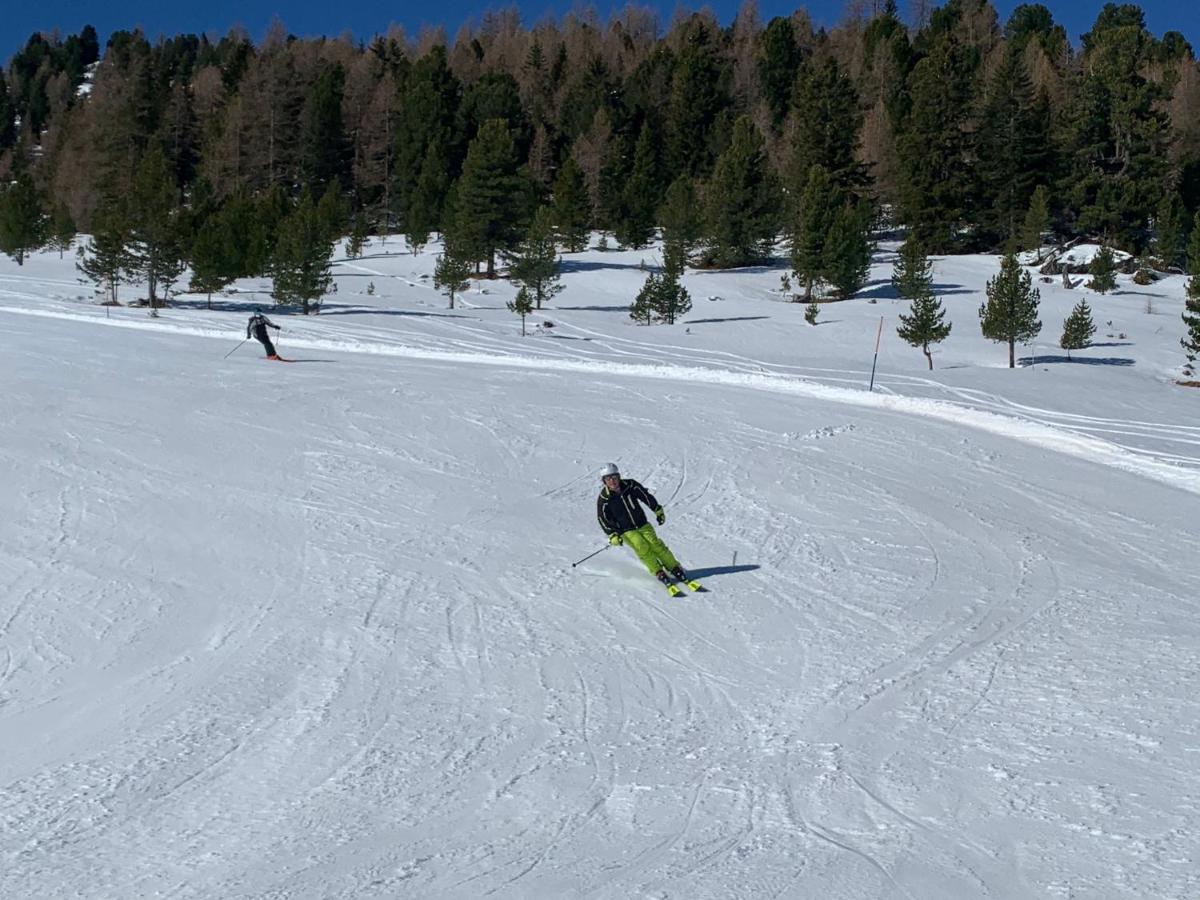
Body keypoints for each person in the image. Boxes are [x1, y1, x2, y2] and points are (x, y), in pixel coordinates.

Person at [596, 463, 692, 588]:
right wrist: (612, 534)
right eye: (608, 479)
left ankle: (674, 567)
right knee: (641, 547)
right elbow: (602, 518)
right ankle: (658, 571)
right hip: (625, 530)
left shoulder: (630, 485)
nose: (612, 481)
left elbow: (645, 496)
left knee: (655, 544)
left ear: (619, 476)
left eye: (614, 477)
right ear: (604, 481)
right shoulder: (604, 498)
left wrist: (657, 509)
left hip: (642, 523)